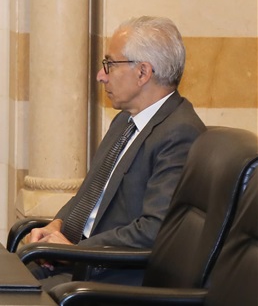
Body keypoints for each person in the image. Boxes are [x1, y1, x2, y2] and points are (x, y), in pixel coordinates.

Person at [24, 16, 205, 285]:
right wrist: (56, 226)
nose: (101, 75)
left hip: (110, 277)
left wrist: (75, 252)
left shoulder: (180, 134)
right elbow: (88, 197)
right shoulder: (125, 121)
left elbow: (154, 230)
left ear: (143, 73)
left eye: (109, 64)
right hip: (80, 262)